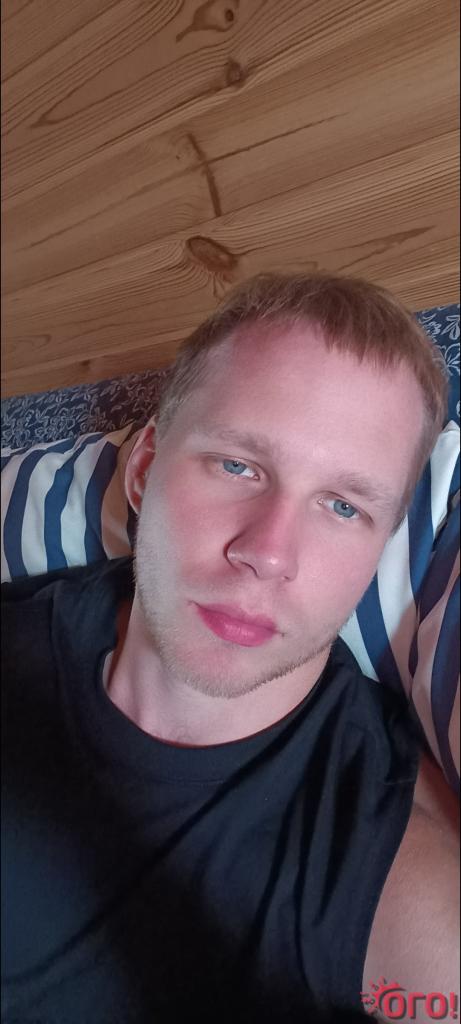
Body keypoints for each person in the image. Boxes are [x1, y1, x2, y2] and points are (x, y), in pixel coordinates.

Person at [2, 273, 459, 1024]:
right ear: (143, 469)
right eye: (238, 465)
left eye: (343, 506)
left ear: (380, 545)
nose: (268, 553)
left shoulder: (389, 865)